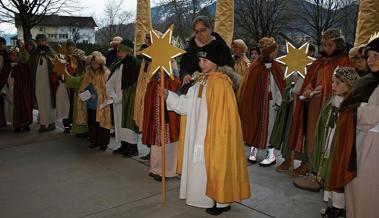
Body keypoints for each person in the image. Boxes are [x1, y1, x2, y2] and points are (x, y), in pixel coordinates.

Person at [165, 40, 250, 215]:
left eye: (205, 61)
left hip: (214, 134)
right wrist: (168, 95)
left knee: (216, 165)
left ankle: (221, 201)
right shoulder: (199, 81)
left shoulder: (221, 84)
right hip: (198, 133)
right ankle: (206, 197)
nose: (201, 64)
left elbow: (225, 117)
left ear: (216, 61)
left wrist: (216, 134)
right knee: (202, 166)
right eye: (200, 61)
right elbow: (186, 106)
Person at [290, 29, 351, 180]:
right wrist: (309, 90)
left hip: (333, 106)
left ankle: (323, 172)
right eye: (324, 45)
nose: (326, 49)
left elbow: (348, 85)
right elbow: (310, 81)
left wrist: (327, 89)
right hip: (315, 106)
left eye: (330, 45)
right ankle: (310, 165)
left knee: (328, 138)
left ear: (338, 44)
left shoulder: (345, 61)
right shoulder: (319, 62)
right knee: (311, 136)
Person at [303, 67, 358, 217]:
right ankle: (332, 205)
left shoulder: (352, 106)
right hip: (329, 142)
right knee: (329, 171)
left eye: (338, 83)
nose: (333, 86)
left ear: (349, 85)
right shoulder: (332, 101)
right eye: (333, 82)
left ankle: (339, 208)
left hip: (340, 148)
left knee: (337, 174)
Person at [342, 34, 379, 218]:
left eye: (376, 56)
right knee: (356, 190)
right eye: (368, 56)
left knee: (367, 193)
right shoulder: (369, 80)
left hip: (372, 149)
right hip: (360, 143)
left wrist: (357, 110)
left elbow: (371, 117)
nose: (370, 61)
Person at [238, 37, 286, 166]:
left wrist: (280, 100)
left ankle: (271, 156)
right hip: (257, 105)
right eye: (274, 50)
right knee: (256, 125)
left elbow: (281, 84)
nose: (276, 52)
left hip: (272, 105)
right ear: (268, 52)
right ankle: (253, 152)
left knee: (270, 129)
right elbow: (249, 89)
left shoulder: (277, 66)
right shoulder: (255, 67)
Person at [142, 72, 181, 181]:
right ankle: (156, 169)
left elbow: (177, 99)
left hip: (168, 120)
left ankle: (168, 171)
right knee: (156, 145)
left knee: (169, 145)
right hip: (155, 119)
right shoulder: (153, 82)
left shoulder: (173, 81)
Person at [106, 39, 140, 157]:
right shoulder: (119, 63)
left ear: (127, 51)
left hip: (127, 100)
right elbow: (110, 81)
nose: (118, 53)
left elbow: (130, 87)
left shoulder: (132, 64)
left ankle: (133, 149)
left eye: (121, 51)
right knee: (119, 124)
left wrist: (117, 98)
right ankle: (124, 145)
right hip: (117, 99)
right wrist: (111, 94)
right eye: (118, 51)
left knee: (128, 126)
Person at [179, 15, 233, 81]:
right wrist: (185, 75)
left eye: (203, 30)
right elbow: (183, 69)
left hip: (218, 87)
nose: (200, 34)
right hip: (194, 89)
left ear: (210, 29)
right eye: (197, 31)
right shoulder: (189, 50)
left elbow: (230, 70)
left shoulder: (222, 48)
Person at [77, 51, 112, 150]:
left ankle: (103, 143)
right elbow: (84, 85)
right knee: (92, 124)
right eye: (92, 63)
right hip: (90, 103)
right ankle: (94, 141)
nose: (94, 65)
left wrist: (97, 95)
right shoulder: (88, 73)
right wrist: (85, 93)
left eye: (96, 63)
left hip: (101, 103)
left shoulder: (106, 73)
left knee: (102, 123)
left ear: (100, 62)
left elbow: (108, 88)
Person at [28, 34, 58, 132]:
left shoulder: (51, 52)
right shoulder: (34, 54)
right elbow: (29, 67)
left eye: (42, 41)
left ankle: (52, 123)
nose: (41, 42)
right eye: (39, 41)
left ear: (46, 41)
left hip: (49, 83)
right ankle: (42, 123)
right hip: (37, 83)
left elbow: (57, 65)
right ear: (36, 42)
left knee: (50, 102)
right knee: (41, 103)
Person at [0, 47, 33, 131]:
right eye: (12, 55)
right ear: (9, 56)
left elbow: (26, 79)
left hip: (22, 91)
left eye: (16, 55)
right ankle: (17, 125)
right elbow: (3, 79)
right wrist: (4, 90)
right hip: (11, 91)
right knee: (14, 108)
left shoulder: (22, 65)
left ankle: (25, 124)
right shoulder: (7, 66)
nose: (14, 57)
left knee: (24, 106)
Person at [0, 36, 8, 127]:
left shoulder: (7, 54)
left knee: (4, 101)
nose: (1, 45)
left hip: (4, 79)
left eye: (2, 44)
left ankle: (4, 120)